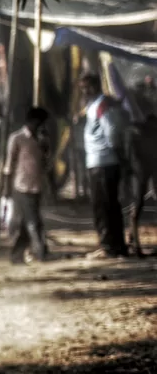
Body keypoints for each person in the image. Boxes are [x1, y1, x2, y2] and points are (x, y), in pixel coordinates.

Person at [79, 73, 130, 258]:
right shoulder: (94, 105)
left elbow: (112, 130)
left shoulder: (102, 104)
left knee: (105, 206)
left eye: (85, 87)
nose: (83, 91)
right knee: (104, 205)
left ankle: (110, 246)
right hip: (97, 161)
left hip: (104, 161)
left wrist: (116, 152)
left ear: (93, 87)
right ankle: (113, 245)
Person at [3, 107, 52, 265]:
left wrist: (45, 146)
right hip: (22, 186)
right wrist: (6, 189)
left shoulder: (42, 140)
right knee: (33, 221)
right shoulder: (17, 138)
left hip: (37, 185)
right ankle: (40, 251)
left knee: (26, 223)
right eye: (39, 122)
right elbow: (9, 166)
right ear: (32, 121)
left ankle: (17, 255)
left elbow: (45, 164)